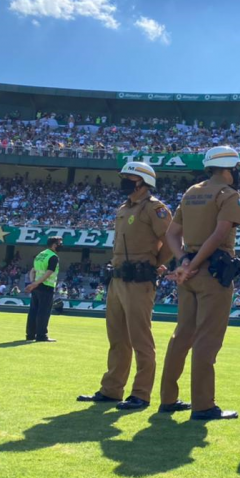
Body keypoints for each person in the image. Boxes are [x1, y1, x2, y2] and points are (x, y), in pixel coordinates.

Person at [77, 162, 173, 410]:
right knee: (117, 338)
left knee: (141, 339)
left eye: (129, 178)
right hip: (117, 279)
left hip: (139, 280)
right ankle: (111, 390)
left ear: (142, 182)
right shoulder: (123, 208)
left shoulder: (155, 208)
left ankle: (141, 393)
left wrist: (153, 265)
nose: (124, 181)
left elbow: (172, 241)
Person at [159, 145, 240, 420]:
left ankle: (168, 399)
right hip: (212, 273)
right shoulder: (229, 195)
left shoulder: (191, 192)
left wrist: (183, 261)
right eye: (235, 168)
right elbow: (219, 236)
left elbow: (171, 234)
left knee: (182, 335)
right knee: (207, 339)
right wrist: (193, 265)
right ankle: (203, 405)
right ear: (228, 168)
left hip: (189, 274)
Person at [25, 237, 62, 342]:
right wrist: (36, 283)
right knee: (43, 312)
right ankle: (41, 336)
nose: (61, 245)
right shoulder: (53, 257)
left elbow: (32, 271)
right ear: (54, 245)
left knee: (33, 311)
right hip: (46, 286)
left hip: (36, 287)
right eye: (60, 243)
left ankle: (30, 335)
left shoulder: (40, 255)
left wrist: (33, 283)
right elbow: (49, 272)